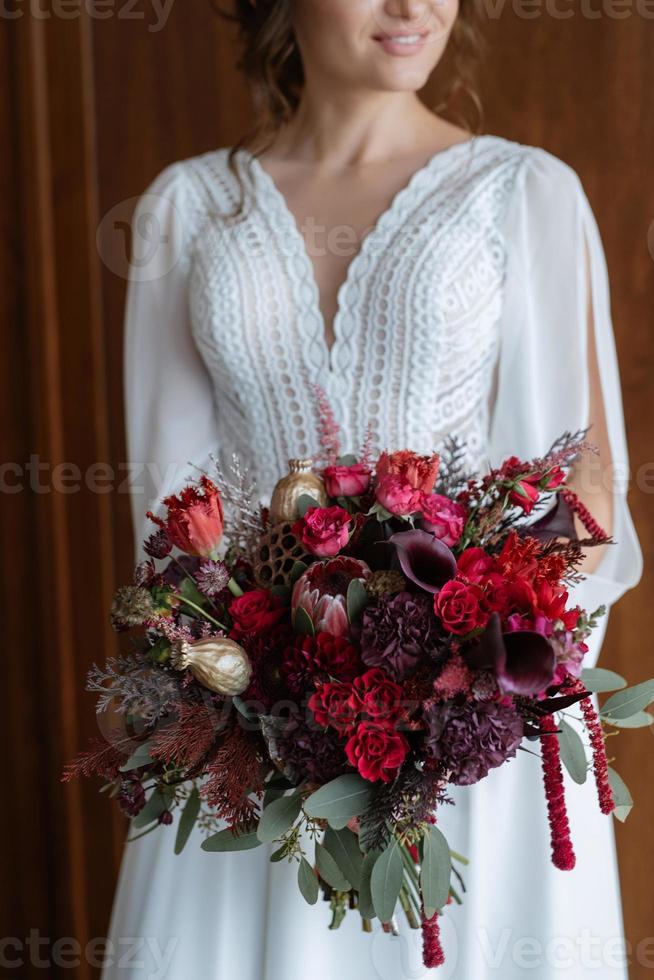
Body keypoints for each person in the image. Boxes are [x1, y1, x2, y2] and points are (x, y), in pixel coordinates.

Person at [103, 1, 643, 977]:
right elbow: (169, 513)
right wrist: (254, 678)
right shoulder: (187, 209)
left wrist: (464, 678)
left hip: (469, 724)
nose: (415, 6)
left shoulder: (526, 192)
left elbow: (588, 492)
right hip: (255, 733)